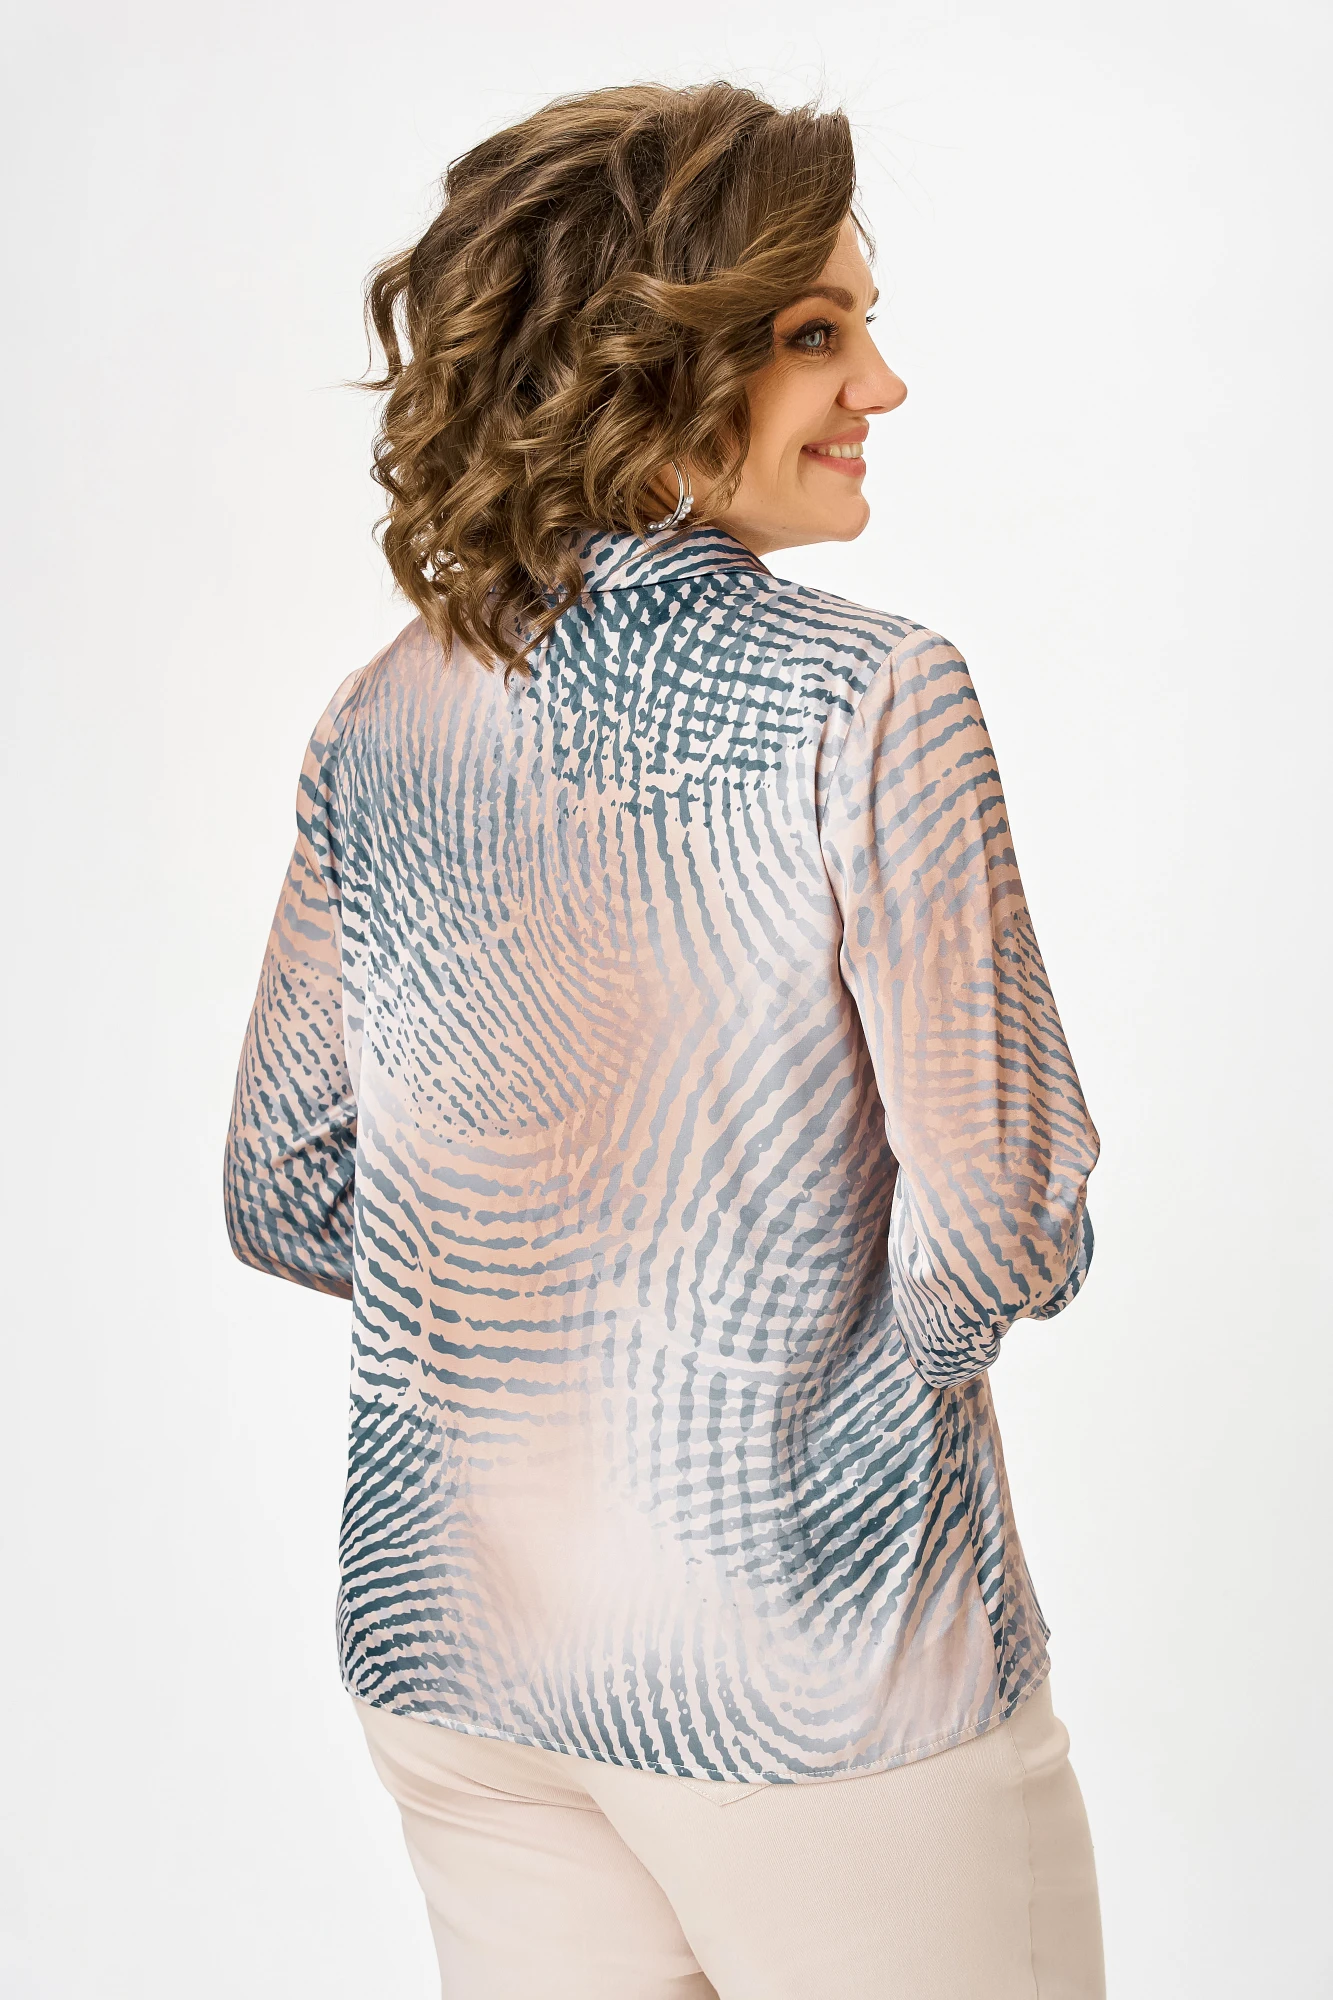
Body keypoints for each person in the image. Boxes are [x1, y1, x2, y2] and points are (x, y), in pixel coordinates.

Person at [224, 80, 1104, 2000]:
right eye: (815, 334)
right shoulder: (874, 697)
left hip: (461, 1652)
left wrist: (552, 1295)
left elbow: (282, 1185)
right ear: (646, 367)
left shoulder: (384, 712)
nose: (882, 385)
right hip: (812, 1678)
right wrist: (828, 1413)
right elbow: (1008, 1216)